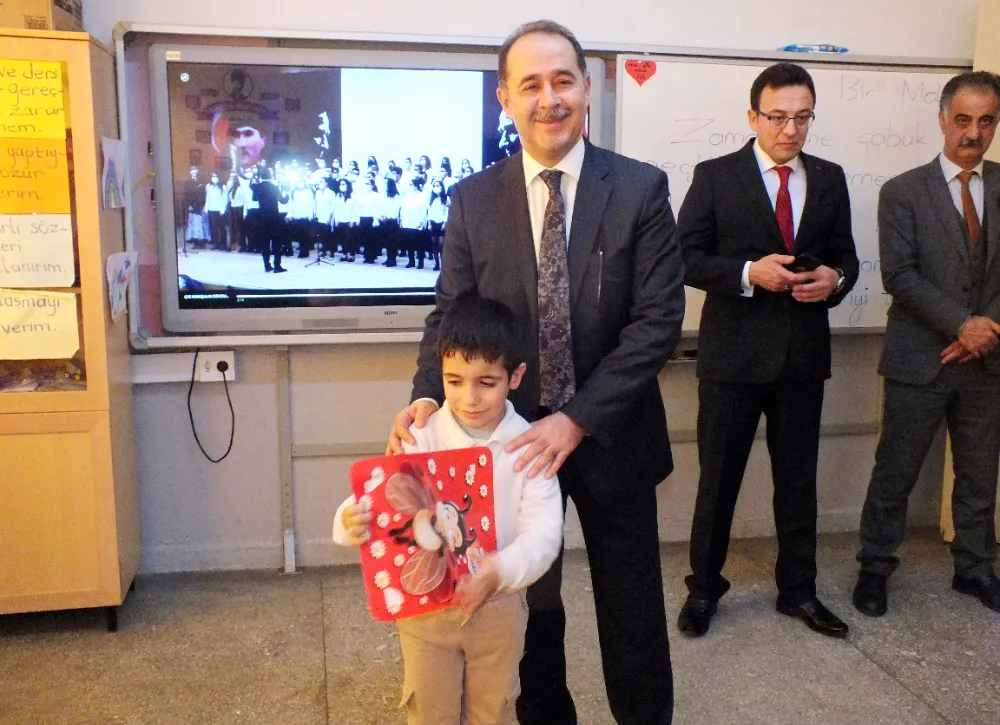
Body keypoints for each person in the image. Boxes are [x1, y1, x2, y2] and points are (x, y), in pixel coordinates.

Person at [389, 20, 685, 725]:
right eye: (530, 85)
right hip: (506, 442)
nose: (548, 99)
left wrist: (576, 419)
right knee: (529, 605)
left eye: (562, 81)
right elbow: (450, 314)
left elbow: (657, 324)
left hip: (611, 432)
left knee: (633, 608)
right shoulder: (474, 199)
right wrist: (425, 396)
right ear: (505, 99)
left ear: (586, 89)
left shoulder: (640, 189)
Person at [676, 62, 860, 640]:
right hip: (732, 360)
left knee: (799, 481)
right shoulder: (716, 176)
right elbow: (684, 257)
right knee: (718, 482)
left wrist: (836, 280)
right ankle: (704, 590)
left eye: (802, 117)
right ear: (753, 116)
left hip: (802, 356)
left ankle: (798, 591)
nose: (790, 130)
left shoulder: (829, 178)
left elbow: (847, 257)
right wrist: (748, 273)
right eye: (778, 117)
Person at [333, 298, 563, 725]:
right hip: (426, 611)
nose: (469, 398)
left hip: (499, 606)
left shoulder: (529, 447)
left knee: (492, 711)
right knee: (429, 711)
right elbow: (384, 498)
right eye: (454, 381)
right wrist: (350, 520)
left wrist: (498, 572)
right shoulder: (421, 437)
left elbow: (545, 533)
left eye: (486, 382)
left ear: (515, 377)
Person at [853, 70, 1000, 617]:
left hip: (987, 360)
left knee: (980, 472)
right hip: (920, 358)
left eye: (986, 121)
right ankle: (875, 566)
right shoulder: (902, 192)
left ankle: (974, 567)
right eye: (962, 119)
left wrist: (986, 329)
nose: (973, 133)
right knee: (896, 471)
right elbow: (901, 275)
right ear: (942, 120)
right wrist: (962, 325)